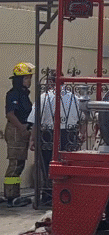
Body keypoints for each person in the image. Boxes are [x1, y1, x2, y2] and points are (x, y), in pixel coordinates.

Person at [28, 73, 82, 207]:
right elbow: (82, 119)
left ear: (51, 82)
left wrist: (32, 139)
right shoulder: (74, 98)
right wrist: (82, 133)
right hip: (69, 134)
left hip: (48, 134)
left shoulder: (44, 97)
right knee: (67, 166)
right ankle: (66, 194)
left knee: (48, 165)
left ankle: (48, 196)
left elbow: (35, 121)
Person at [5, 62, 33, 206]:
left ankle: (14, 194)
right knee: (15, 164)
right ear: (19, 79)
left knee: (19, 164)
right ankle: (11, 196)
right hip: (16, 131)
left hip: (22, 130)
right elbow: (10, 114)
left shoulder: (23, 94)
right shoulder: (13, 94)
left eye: (30, 78)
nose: (29, 81)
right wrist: (22, 128)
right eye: (26, 78)